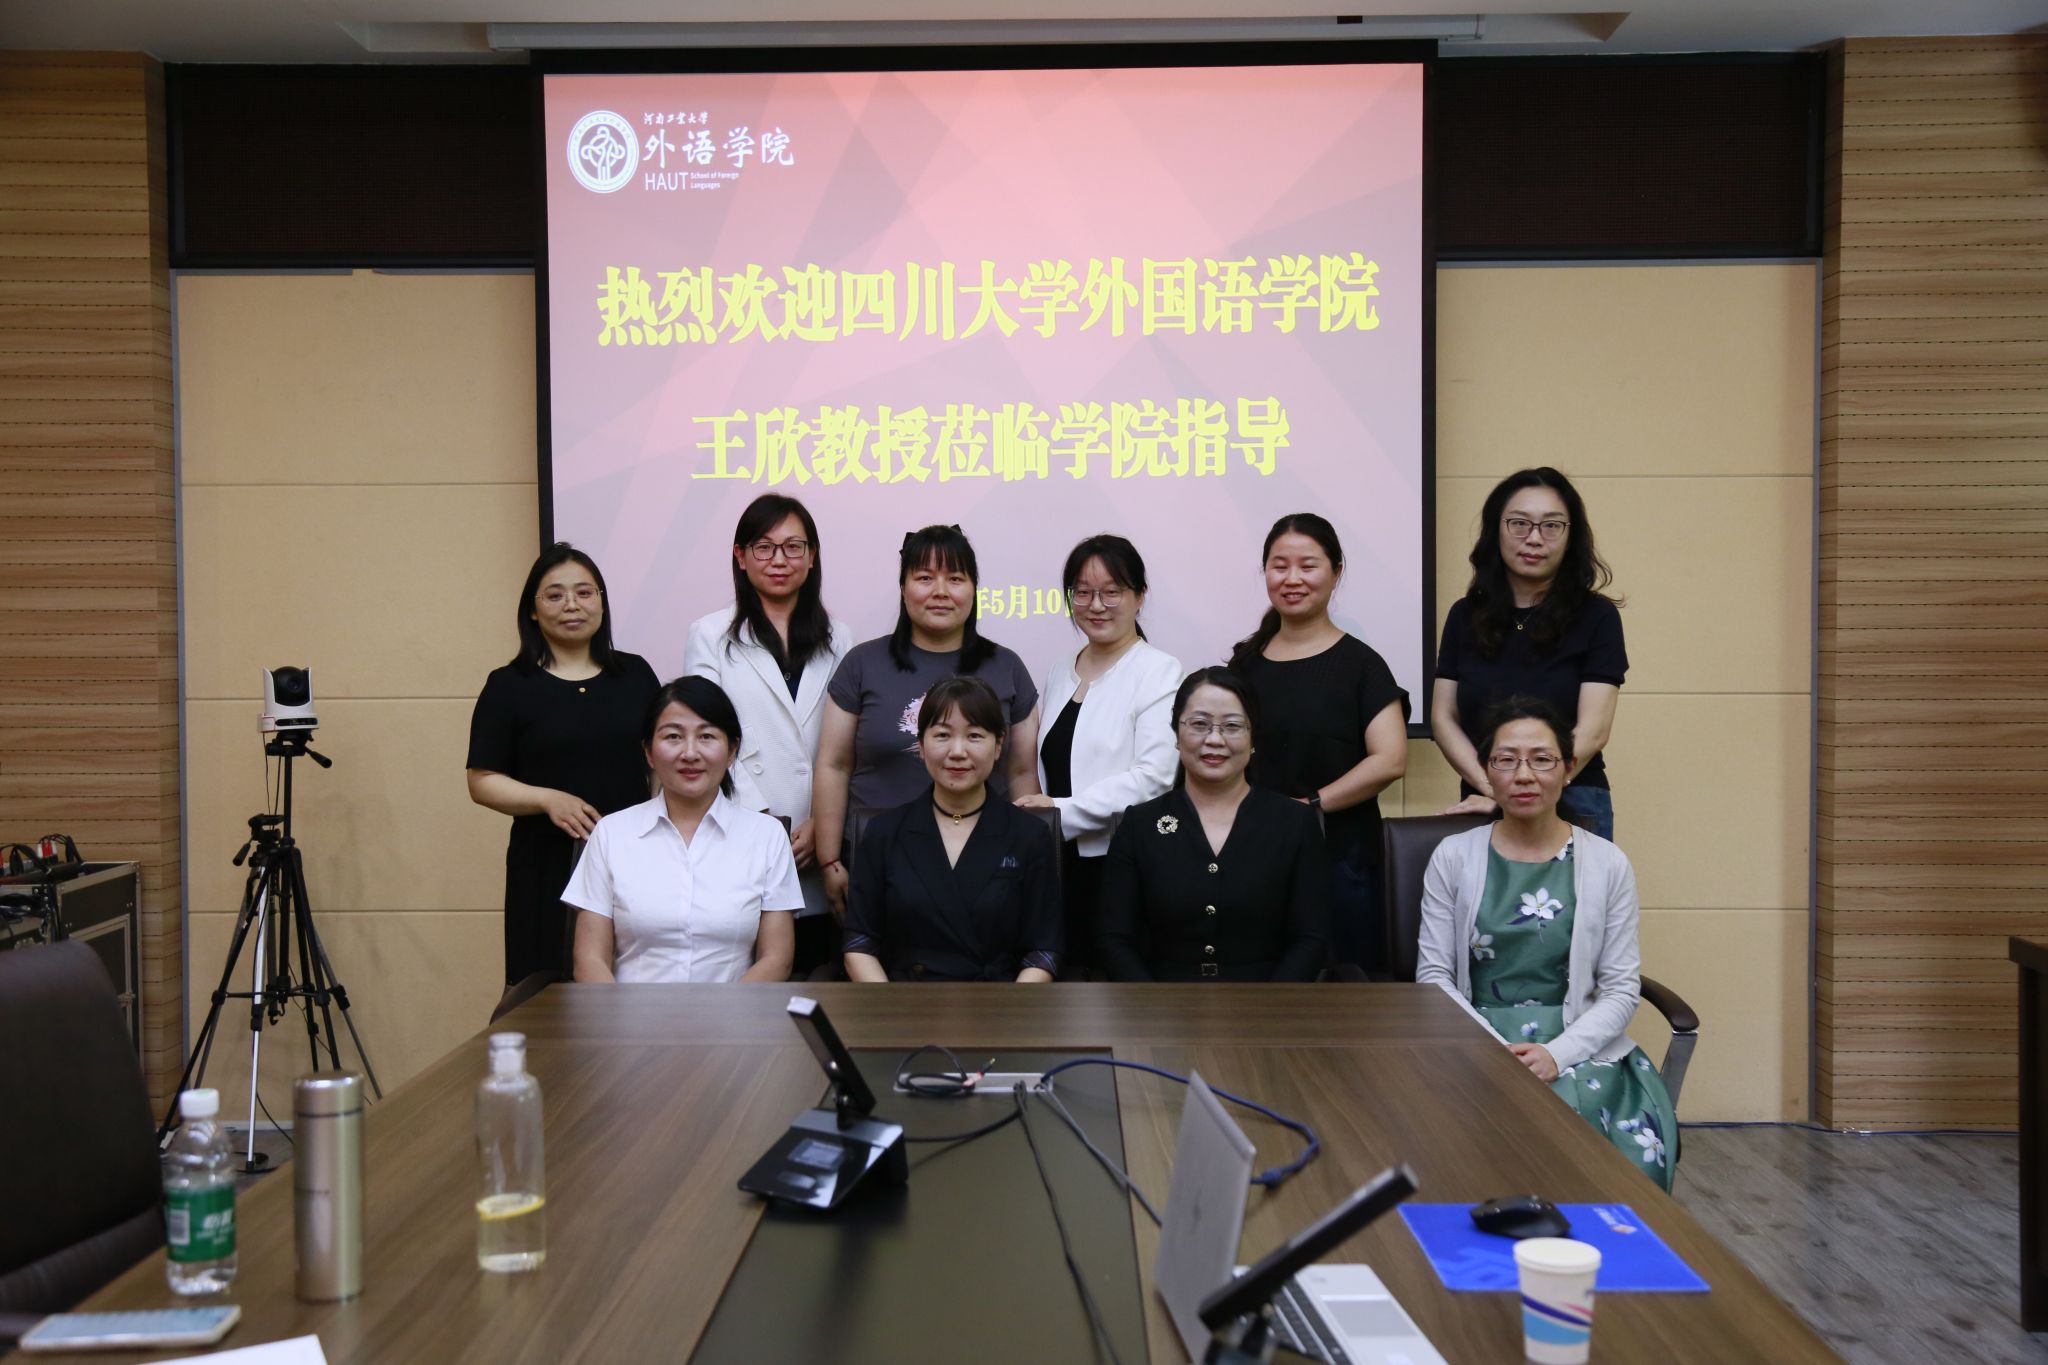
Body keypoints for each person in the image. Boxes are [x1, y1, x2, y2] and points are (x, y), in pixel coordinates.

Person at [1414, 697, 1676, 1190]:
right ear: (1486, 771)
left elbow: (1621, 989)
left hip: (1579, 1042)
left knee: (1608, 1166)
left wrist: (1557, 1055)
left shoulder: (1607, 863)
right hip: (1471, 1040)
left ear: (1568, 769)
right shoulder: (1453, 856)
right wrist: (1492, 1052)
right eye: (1506, 760)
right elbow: (1433, 977)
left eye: (1541, 759)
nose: (1524, 775)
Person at [814, 524, 1041, 919]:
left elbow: (1021, 771)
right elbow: (834, 765)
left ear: (973, 589)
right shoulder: (862, 664)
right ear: (903, 588)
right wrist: (830, 860)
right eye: (924, 578)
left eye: (955, 578)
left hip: (986, 864)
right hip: (876, 862)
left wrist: (1032, 862)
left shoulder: (1007, 667)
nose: (940, 591)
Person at [466, 543, 660, 985]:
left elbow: (659, 763)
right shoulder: (509, 685)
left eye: (584, 593)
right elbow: (482, 780)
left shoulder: (635, 675)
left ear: (602, 603)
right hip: (546, 863)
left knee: (635, 981)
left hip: (633, 857)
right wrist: (548, 799)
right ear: (533, 611)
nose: (572, 605)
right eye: (554, 595)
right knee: (545, 991)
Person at [1227, 513, 1408, 973]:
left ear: (1336, 571)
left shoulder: (1362, 664)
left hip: (1343, 858)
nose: (1292, 579)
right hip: (1254, 853)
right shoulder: (1244, 665)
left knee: (1345, 990)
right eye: (1279, 566)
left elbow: (1390, 759)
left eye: (1307, 566)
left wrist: (1309, 806)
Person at [684, 494, 849, 976]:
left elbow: (845, 745)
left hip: (815, 839)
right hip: (743, 827)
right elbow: (706, 737)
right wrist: (765, 824)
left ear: (812, 556)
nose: (780, 560)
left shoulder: (839, 636)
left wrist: (822, 824)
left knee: (813, 974)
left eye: (794, 547)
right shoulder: (709, 634)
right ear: (740, 556)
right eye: (764, 547)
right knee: (745, 975)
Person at [1097, 668, 1330, 982]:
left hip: (1269, 1002)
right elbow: (1114, 939)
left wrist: (1272, 1005)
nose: (1214, 740)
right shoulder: (1140, 825)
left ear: (1253, 737)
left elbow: (1312, 938)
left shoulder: (1294, 822)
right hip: (1162, 1002)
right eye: (1199, 724)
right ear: (1176, 734)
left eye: (1232, 726)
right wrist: (1151, 1004)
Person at [562, 677, 799, 983]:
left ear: (732, 751)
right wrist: (621, 1014)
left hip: (733, 1011)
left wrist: (723, 1012)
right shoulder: (611, 834)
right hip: (629, 1012)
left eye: (707, 736)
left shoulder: (767, 836)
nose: (690, 753)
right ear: (649, 752)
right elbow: (589, 960)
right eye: (673, 736)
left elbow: (777, 959)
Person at [1017, 534, 1181, 976]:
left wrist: (1061, 812)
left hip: (1123, 864)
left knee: (1115, 988)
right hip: (1058, 863)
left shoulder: (1159, 671)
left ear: (1138, 597)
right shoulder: (1061, 668)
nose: (1096, 605)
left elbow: (1154, 778)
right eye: (1083, 592)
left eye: (1112, 592)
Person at [1434, 467, 1626, 840]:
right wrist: (1495, 790)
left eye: (1551, 526)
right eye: (1519, 524)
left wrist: (1528, 787)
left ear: (1571, 536)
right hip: (1483, 797)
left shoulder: (1596, 616)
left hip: (1573, 795)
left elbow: (1594, 730)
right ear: (1496, 530)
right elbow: (1444, 718)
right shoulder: (1464, 615)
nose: (1534, 538)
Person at [842, 676, 1061, 982]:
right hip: (904, 1001)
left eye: (974, 736)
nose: (957, 751)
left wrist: (1010, 1008)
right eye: (943, 735)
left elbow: (1043, 951)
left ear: (998, 745)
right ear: (921, 746)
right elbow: (859, 943)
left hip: (1000, 1002)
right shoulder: (883, 833)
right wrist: (891, 1006)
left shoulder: (1029, 835)